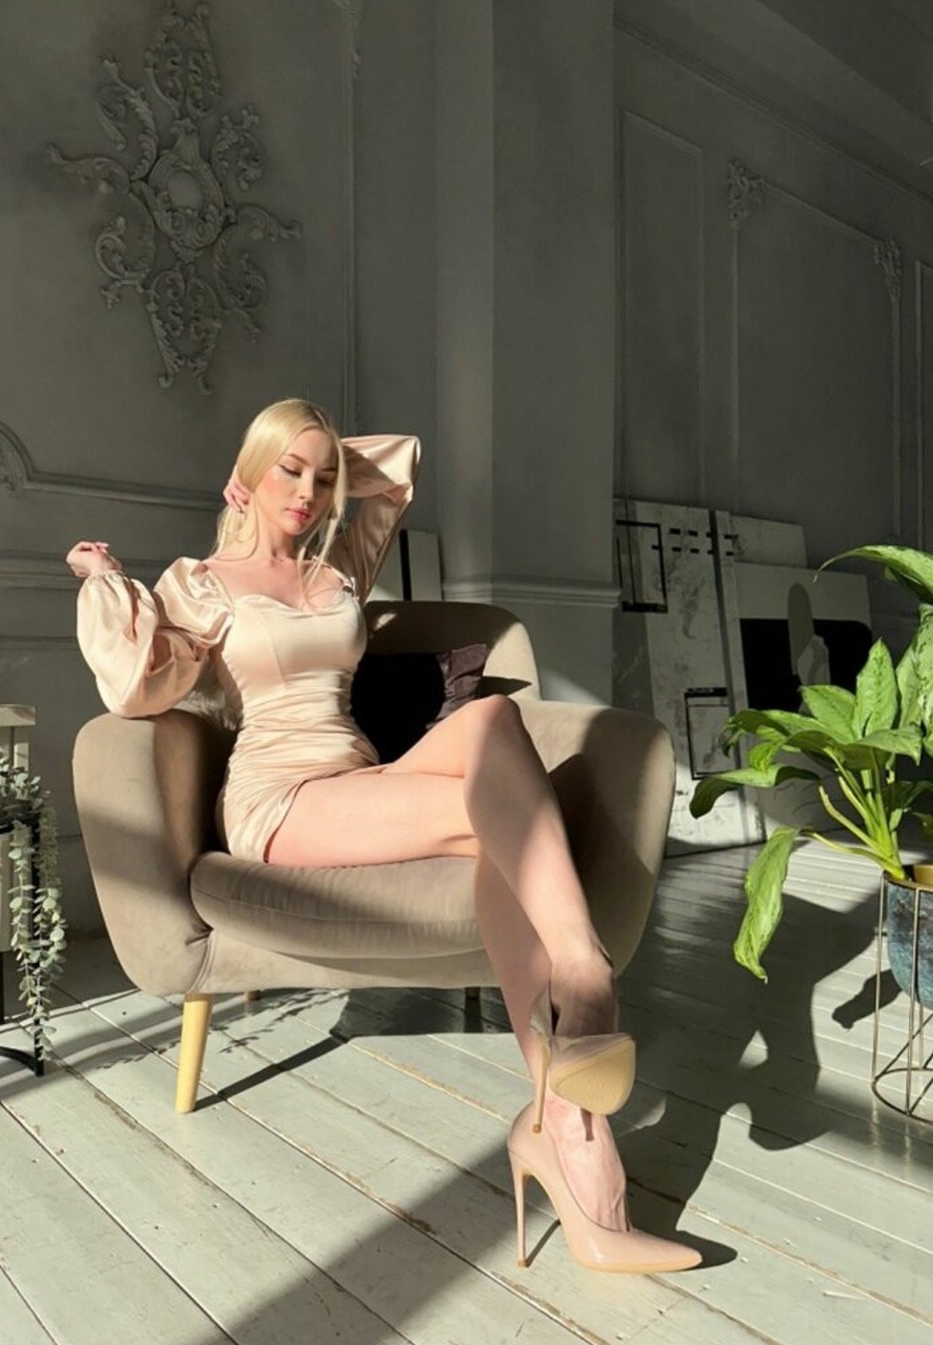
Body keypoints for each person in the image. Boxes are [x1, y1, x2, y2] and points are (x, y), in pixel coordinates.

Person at [68, 397, 700, 1274]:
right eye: (288, 470)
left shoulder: (337, 575)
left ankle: (559, 1113)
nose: (307, 490)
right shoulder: (201, 583)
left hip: (363, 777)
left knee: (494, 725)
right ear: (246, 474)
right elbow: (135, 686)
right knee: (500, 825)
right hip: (279, 800)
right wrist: (103, 577)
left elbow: (400, 463)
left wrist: (327, 471)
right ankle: (581, 1066)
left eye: (323, 476)